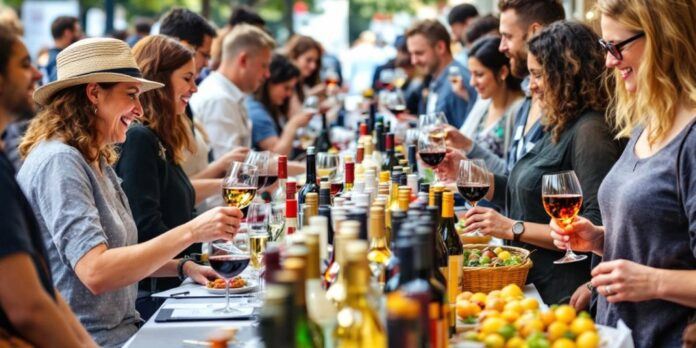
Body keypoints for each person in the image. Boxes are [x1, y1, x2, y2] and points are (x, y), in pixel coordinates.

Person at [16, 38, 243, 347]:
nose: (139, 110)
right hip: (92, 339)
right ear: (94, 93)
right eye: (131, 95)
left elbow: (118, 250)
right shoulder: (60, 161)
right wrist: (191, 232)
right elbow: (95, 271)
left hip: (125, 331)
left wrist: (181, 265)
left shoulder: (93, 155)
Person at [437, 21, 622, 305]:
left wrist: (512, 227)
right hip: (531, 286)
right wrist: (469, 173)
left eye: (538, 75)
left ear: (566, 75)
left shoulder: (591, 131)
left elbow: (596, 226)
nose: (531, 86)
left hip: (561, 294)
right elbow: (524, 191)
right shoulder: (561, 121)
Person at [548, 1, 696, 346]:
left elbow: (655, 271)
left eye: (616, 46)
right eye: (604, 46)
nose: (609, 61)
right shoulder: (649, 123)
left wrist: (652, 282)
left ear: (664, 38)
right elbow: (660, 239)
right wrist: (601, 239)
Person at [116, 35, 227, 318]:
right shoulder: (139, 138)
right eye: (188, 78)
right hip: (155, 297)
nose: (195, 87)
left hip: (181, 282)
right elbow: (144, 228)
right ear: (160, 79)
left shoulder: (159, 137)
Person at [0, 23, 96, 348]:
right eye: (24, 65)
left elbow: (43, 288)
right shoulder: (59, 159)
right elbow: (28, 307)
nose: (37, 75)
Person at [158, 8, 248, 184]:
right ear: (183, 46)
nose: (207, 63)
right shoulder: (150, 122)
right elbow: (169, 194)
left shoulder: (180, 102)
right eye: (204, 54)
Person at [191, 24, 274, 159]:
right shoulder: (219, 99)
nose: (267, 74)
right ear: (243, 60)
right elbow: (229, 169)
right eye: (264, 65)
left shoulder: (228, 94)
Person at [454, 36, 523, 176]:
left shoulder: (520, 110)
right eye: (471, 74)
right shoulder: (483, 102)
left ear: (503, 72)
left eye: (479, 75)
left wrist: (468, 146)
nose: (472, 83)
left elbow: (512, 175)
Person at [406, 19, 476, 128]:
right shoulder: (438, 78)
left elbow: (464, 137)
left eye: (419, 53)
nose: (413, 61)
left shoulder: (457, 82)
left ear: (440, 47)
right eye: (411, 54)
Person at [247, 54, 313, 155]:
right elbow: (278, 156)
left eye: (292, 89)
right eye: (286, 88)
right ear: (269, 83)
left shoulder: (272, 106)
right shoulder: (257, 112)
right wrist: (293, 125)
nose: (289, 94)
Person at [284, 35, 324, 117]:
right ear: (294, 56)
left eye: (316, 61)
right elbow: (296, 117)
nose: (313, 66)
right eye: (308, 60)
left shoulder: (303, 83)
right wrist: (312, 94)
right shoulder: (287, 84)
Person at [41, 16, 82, 84]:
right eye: (77, 31)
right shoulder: (63, 61)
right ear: (67, 33)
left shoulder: (47, 57)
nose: (80, 36)